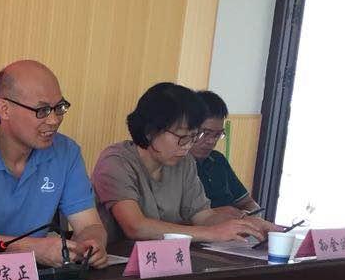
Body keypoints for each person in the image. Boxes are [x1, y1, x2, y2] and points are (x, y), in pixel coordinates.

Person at [0, 59, 108, 267]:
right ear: (5, 109)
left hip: (39, 275)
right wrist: (31, 249)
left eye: (60, 107)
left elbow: (89, 225)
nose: (54, 120)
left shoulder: (66, 152)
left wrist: (92, 244)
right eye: (42, 110)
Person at [92, 82, 277, 255]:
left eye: (193, 137)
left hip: (166, 260)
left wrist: (246, 224)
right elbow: (135, 227)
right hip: (116, 262)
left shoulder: (184, 162)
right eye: (182, 137)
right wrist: (213, 233)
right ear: (150, 131)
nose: (188, 146)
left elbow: (203, 216)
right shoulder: (116, 161)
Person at [191, 90, 264, 216]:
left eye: (218, 135)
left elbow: (249, 203)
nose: (211, 141)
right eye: (205, 133)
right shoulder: (178, 165)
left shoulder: (218, 159)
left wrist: (246, 215)